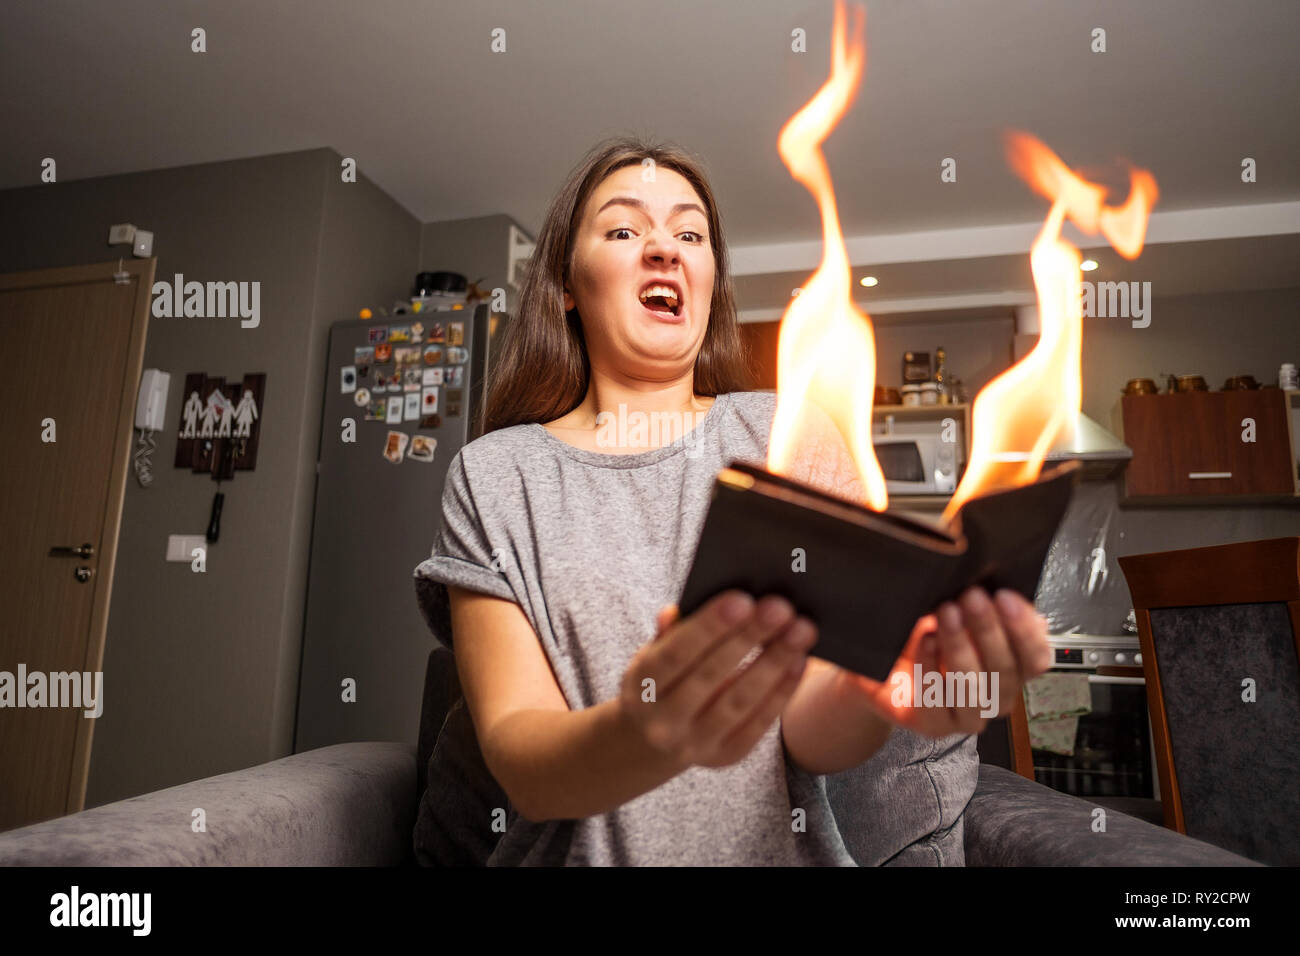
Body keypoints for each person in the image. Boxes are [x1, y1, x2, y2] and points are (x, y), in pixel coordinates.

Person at [413, 136, 1050, 866]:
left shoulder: (785, 436)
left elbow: (814, 726)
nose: (665, 249)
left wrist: (898, 694)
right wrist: (643, 730)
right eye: (624, 230)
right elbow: (523, 763)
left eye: (690, 234)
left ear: (710, 277)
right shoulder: (495, 474)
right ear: (564, 283)